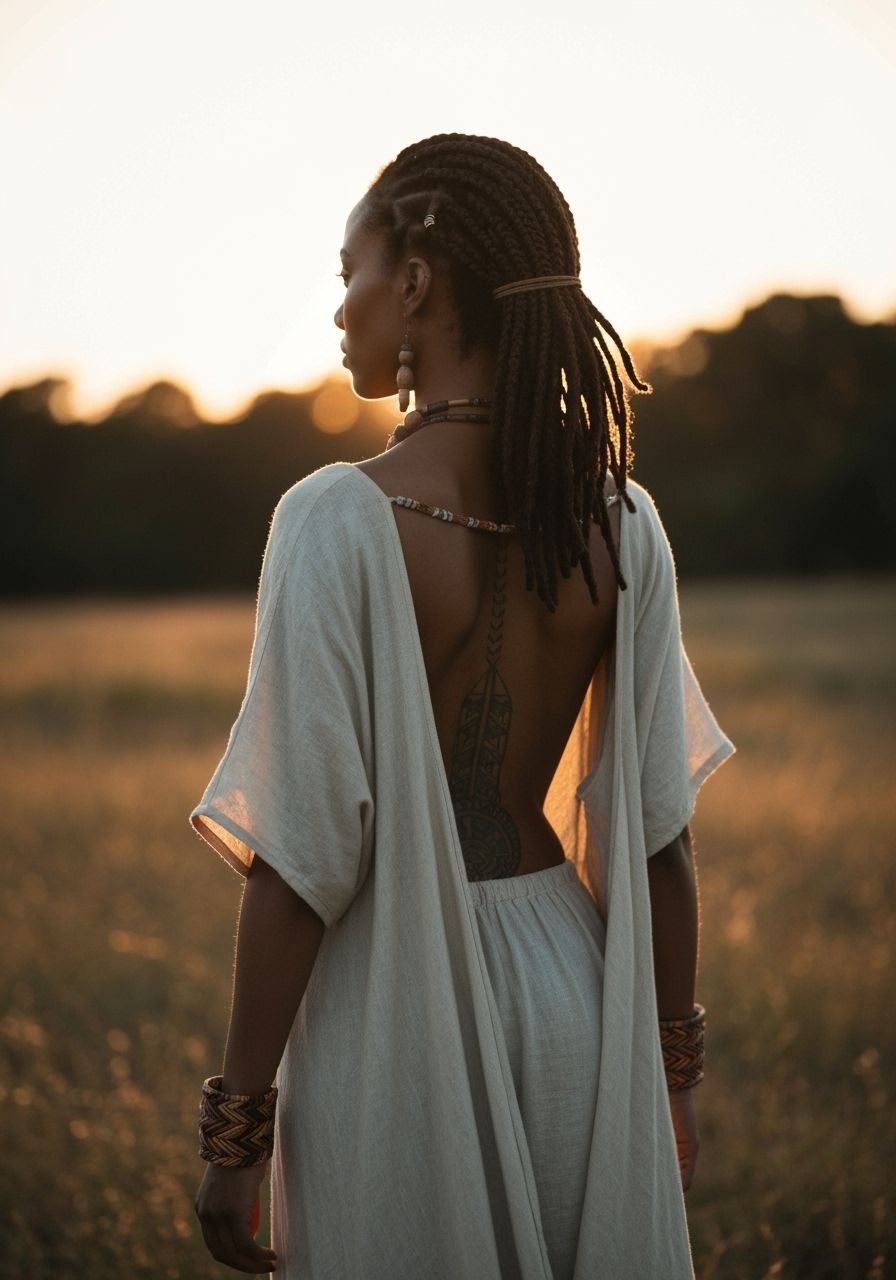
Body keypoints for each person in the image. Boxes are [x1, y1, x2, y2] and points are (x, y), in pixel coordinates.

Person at [189, 133, 736, 1278]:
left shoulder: (334, 517)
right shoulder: (618, 523)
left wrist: (235, 1130)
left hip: (394, 1016)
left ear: (421, 280)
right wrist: (668, 1078)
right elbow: (656, 843)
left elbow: (296, 864)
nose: (342, 307)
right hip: (571, 994)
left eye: (353, 271)